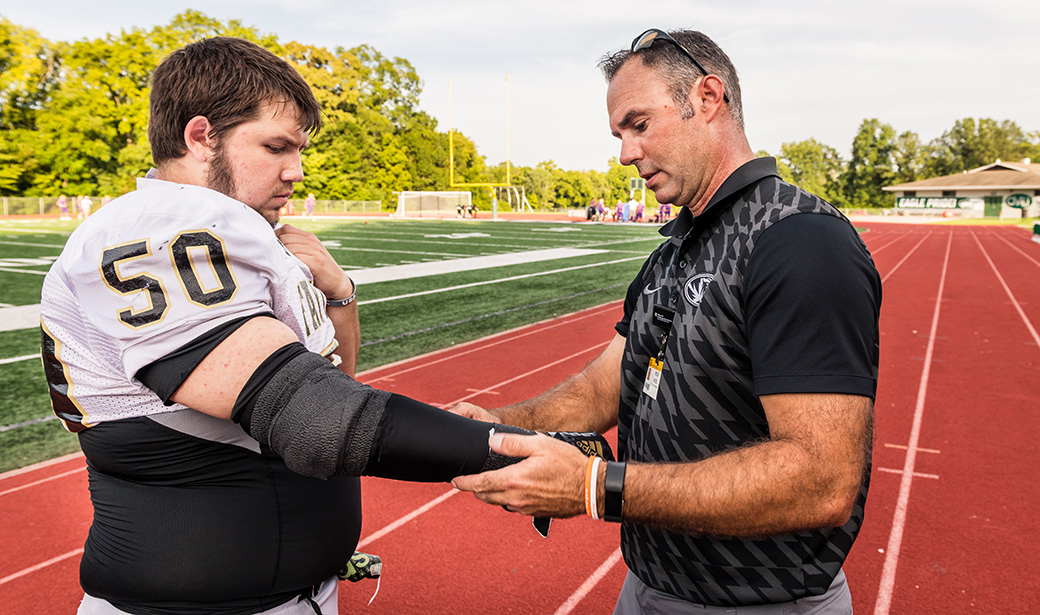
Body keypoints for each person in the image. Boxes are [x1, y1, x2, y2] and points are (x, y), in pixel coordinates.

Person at [39, 36, 571, 615]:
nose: (296, 171)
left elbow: (332, 373)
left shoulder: (243, 233)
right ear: (200, 137)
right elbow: (317, 417)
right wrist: (507, 452)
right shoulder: (157, 225)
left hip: (287, 593)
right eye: (276, 147)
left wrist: (339, 292)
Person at [451, 27, 881, 614]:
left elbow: (821, 478)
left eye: (639, 124)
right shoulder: (672, 251)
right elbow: (604, 388)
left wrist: (594, 487)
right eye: (619, 134)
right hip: (649, 587)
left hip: (763, 603)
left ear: (707, 99)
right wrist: (493, 428)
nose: (626, 153)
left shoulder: (798, 241)